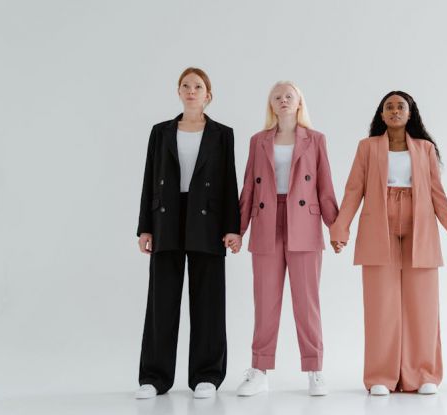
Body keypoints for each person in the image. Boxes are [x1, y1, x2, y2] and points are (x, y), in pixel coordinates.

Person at [330, 91, 447, 395]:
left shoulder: (425, 149)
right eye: (389, 107)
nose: (394, 110)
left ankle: (423, 375)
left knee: (423, 305)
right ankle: (381, 376)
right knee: (381, 305)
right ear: (381, 115)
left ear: (410, 114)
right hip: (378, 226)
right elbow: (354, 189)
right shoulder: (367, 148)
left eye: (400, 106)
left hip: (419, 227)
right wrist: (340, 228)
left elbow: (437, 194)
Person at [134, 67, 241, 399]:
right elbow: (149, 177)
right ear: (178, 92)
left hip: (206, 220)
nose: (191, 90)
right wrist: (144, 227)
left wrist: (231, 228)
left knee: (209, 299)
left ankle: (207, 375)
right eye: (185, 86)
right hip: (166, 216)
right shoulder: (161, 131)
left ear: (208, 95)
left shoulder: (222, 134)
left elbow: (228, 183)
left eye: (198, 86)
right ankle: (154, 377)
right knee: (161, 299)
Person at [232, 81, 338, 396]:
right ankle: (259, 370)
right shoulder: (258, 140)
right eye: (277, 97)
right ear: (271, 104)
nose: (283, 100)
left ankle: (315, 370)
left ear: (299, 102)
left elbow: (325, 185)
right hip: (266, 220)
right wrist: (238, 230)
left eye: (288, 96)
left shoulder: (316, 140)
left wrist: (336, 228)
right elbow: (249, 186)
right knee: (265, 302)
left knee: (307, 303)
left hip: (304, 223)